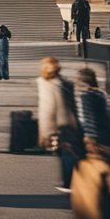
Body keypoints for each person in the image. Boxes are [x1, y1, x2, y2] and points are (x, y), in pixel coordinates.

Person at [37, 55, 82, 191]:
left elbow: (47, 108)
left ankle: (68, 182)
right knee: (69, 150)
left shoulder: (46, 83)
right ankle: (73, 179)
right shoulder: (65, 82)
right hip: (71, 121)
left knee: (64, 152)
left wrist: (45, 133)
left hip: (59, 124)